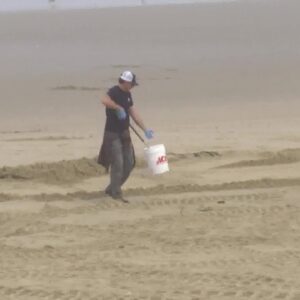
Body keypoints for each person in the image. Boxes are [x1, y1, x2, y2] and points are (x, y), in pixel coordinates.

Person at [98, 71, 154, 203]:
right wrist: (117, 108)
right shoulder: (114, 91)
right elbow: (104, 99)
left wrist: (145, 129)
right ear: (126, 82)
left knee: (129, 163)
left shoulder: (128, 95)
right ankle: (116, 193)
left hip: (124, 133)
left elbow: (133, 112)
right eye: (132, 84)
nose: (133, 86)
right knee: (118, 163)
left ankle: (112, 187)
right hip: (112, 134)